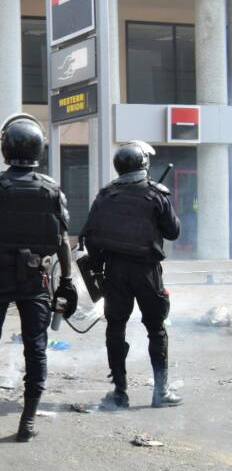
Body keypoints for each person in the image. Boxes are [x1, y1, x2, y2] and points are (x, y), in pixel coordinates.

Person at [0, 115, 74, 442]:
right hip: (36, 279)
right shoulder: (51, 188)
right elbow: (62, 240)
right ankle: (26, 423)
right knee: (36, 349)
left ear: (4, 147)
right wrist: (67, 280)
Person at [80, 140, 182, 409]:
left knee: (115, 327)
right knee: (156, 329)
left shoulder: (105, 195)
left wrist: (101, 265)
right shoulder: (157, 193)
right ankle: (161, 393)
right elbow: (173, 232)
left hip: (115, 272)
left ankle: (120, 393)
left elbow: (90, 237)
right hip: (147, 271)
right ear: (144, 165)